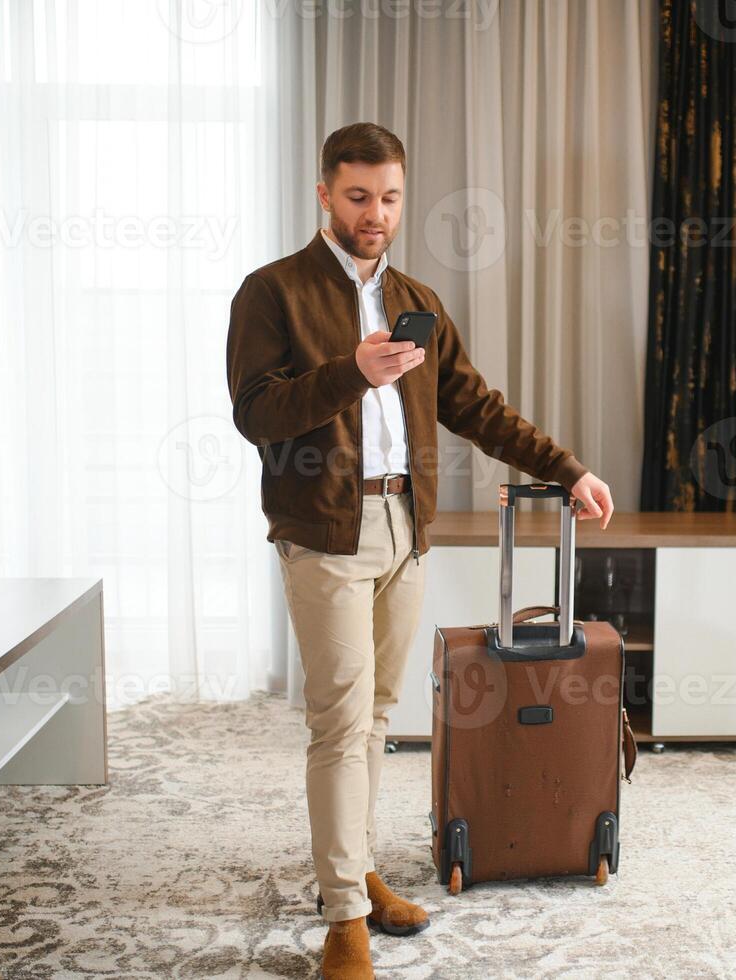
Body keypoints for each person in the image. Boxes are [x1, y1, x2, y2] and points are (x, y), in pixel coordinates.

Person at [225, 122, 614, 980]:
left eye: (390, 197)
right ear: (323, 193)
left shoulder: (418, 299)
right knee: (337, 721)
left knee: (375, 718)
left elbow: (477, 406)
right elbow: (256, 414)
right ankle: (342, 920)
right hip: (324, 533)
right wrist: (352, 373)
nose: (376, 213)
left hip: (405, 528)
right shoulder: (272, 292)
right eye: (358, 195)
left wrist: (568, 469)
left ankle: (355, 870)